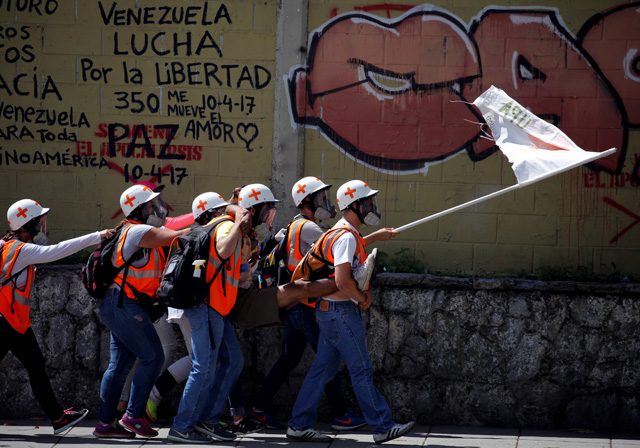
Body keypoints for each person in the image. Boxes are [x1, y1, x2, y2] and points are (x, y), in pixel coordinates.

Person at [167, 185, 347, 443]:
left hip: (219, 308)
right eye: (267, 212)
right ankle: (182, 426)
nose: (269, 219)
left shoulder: (238, 231)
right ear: (253, 210)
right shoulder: (228, 227)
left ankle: (208, 419)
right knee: (203, 368)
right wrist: (239, 224)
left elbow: (234, 271)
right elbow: (222, 250)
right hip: (207, 306)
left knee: (233, 361)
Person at [287, 180, 415, 444]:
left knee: (322, 370)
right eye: (367, 202)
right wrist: (362, 298)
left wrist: (376, 236)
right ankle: (382, 426)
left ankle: (298, 424)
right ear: (355, 205)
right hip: (341, 312)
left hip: (328, 311)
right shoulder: (346, 236)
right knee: (361, 370)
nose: (371, 206)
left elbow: (346, 250)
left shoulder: (340, 232)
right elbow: (344, 281)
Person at [249, 176, 367, 431]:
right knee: (326, 359)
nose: (325, 201)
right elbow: (342, 243)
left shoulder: (296, 225)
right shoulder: (310, 229)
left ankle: (258, 408)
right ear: (307, 201)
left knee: (290, 359)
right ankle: (341, 415)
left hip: (297, 304)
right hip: (305, 306)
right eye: (321, 198)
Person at [0, 199, 113, 434]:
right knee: (36, 368)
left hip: (13, 323)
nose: (43, 227)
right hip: (8, 323)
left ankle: (58, 417)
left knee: (36, 367)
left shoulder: (5, 246)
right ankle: (58, 418)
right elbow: (57, 251)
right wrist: (97, 236)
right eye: (38, 222)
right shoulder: (22, 250)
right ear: (27, 225)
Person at [93, 184, 190, 439]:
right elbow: (176, 236)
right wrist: (205, 228)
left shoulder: (134, 231)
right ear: (138, 209)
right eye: (150, 204)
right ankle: (134, 415)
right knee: (153, 356)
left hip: (119, 304)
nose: (155, 208)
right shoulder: (138, 231)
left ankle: (105, 423)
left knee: (120, 364)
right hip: (124, 304)